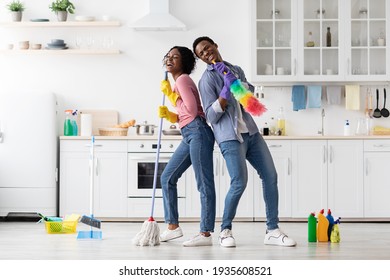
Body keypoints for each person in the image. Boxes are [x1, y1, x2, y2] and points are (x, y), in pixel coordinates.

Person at [192, 36, 296, 247]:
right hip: (230, 138)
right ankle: (225, 230)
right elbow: (211, 117)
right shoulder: (206, 80)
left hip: (251, 133)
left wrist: (238, 84)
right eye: (201, 53)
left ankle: (272, 230)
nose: (205, 53)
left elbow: (249, 101)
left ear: (215, 45)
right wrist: (225, 91)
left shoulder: (235, 69)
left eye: (207, 48)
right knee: (239, 182)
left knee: (270, 176)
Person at [159, 46, 216, 247]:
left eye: (175, 57)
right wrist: (170, 115)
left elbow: (192, 111)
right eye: (168, 56)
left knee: (203, 183)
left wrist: (172, 96)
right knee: (167, 177)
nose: (170, 59)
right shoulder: (177, 83)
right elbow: (185, 114)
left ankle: (205, 233)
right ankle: (173, 227)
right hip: (190, 132)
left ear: (184, 62)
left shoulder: (182, 79)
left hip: (198, 132)